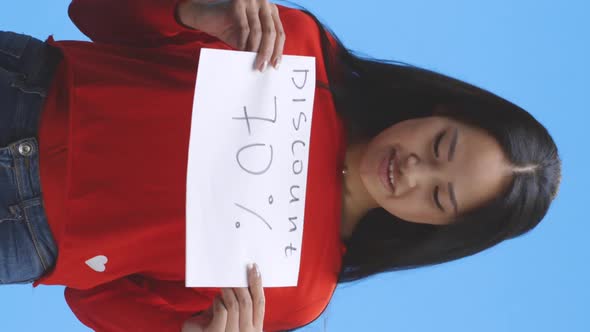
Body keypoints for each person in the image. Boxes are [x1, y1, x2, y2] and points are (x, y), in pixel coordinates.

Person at [0, 0, 560, 331]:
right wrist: (196, 9)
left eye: (439, 197)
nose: (413, 172)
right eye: (441, 145)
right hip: (24, 84)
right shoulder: (298, 48)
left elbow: (93, 300)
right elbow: (92, 11)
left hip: (23, 234)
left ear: (438, 231)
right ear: (442, 110)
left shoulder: (300, 292)